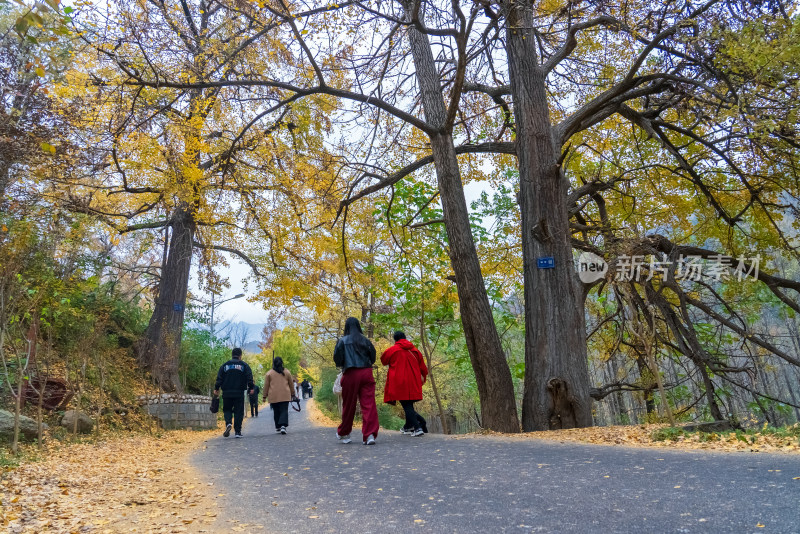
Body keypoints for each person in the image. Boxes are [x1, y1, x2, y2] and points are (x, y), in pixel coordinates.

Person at [333, 317, 379, 445]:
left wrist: (344, 363)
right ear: (359, 326)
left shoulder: (342, 341)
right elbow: (373, 357)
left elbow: (337, 359)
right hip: (367, 372)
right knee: (368, 404)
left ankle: (345, 433)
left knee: (349, 404)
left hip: (351, 372)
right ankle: (369, 435)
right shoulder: (366, 340)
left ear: (346, 327)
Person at [381, 331, 429, 436]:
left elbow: (383, 360)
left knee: (406, 405)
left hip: (399, 381)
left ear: (395, 340)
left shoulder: (392, 350)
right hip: (413, 382)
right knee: (408, 405)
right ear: (405, 338)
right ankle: (407, 427)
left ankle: (418, 428)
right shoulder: (415, 351)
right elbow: (424, 369)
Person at [213, 348, 254, 438]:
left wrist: (216, 388)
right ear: (240, 356)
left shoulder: (225, 366)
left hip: (226, 392)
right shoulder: (244, 365)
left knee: (227, 409)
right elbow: (249, 377)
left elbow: (219, 378)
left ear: (232, 355)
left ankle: (228, 423)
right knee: (238, 412)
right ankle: (237, 432)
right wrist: (251, 387)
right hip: (239, 393)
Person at [262, 356, 296, 434]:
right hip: (285, 395)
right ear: (282, 363)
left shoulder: (269, 373)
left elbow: (266, 386)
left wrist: (264, 396)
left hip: (273, 396)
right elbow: (291, 384)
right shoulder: (287, 372)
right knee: (284, 410)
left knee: (276, 411)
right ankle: (283, 425)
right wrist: (293, 393)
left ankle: (278, 426)